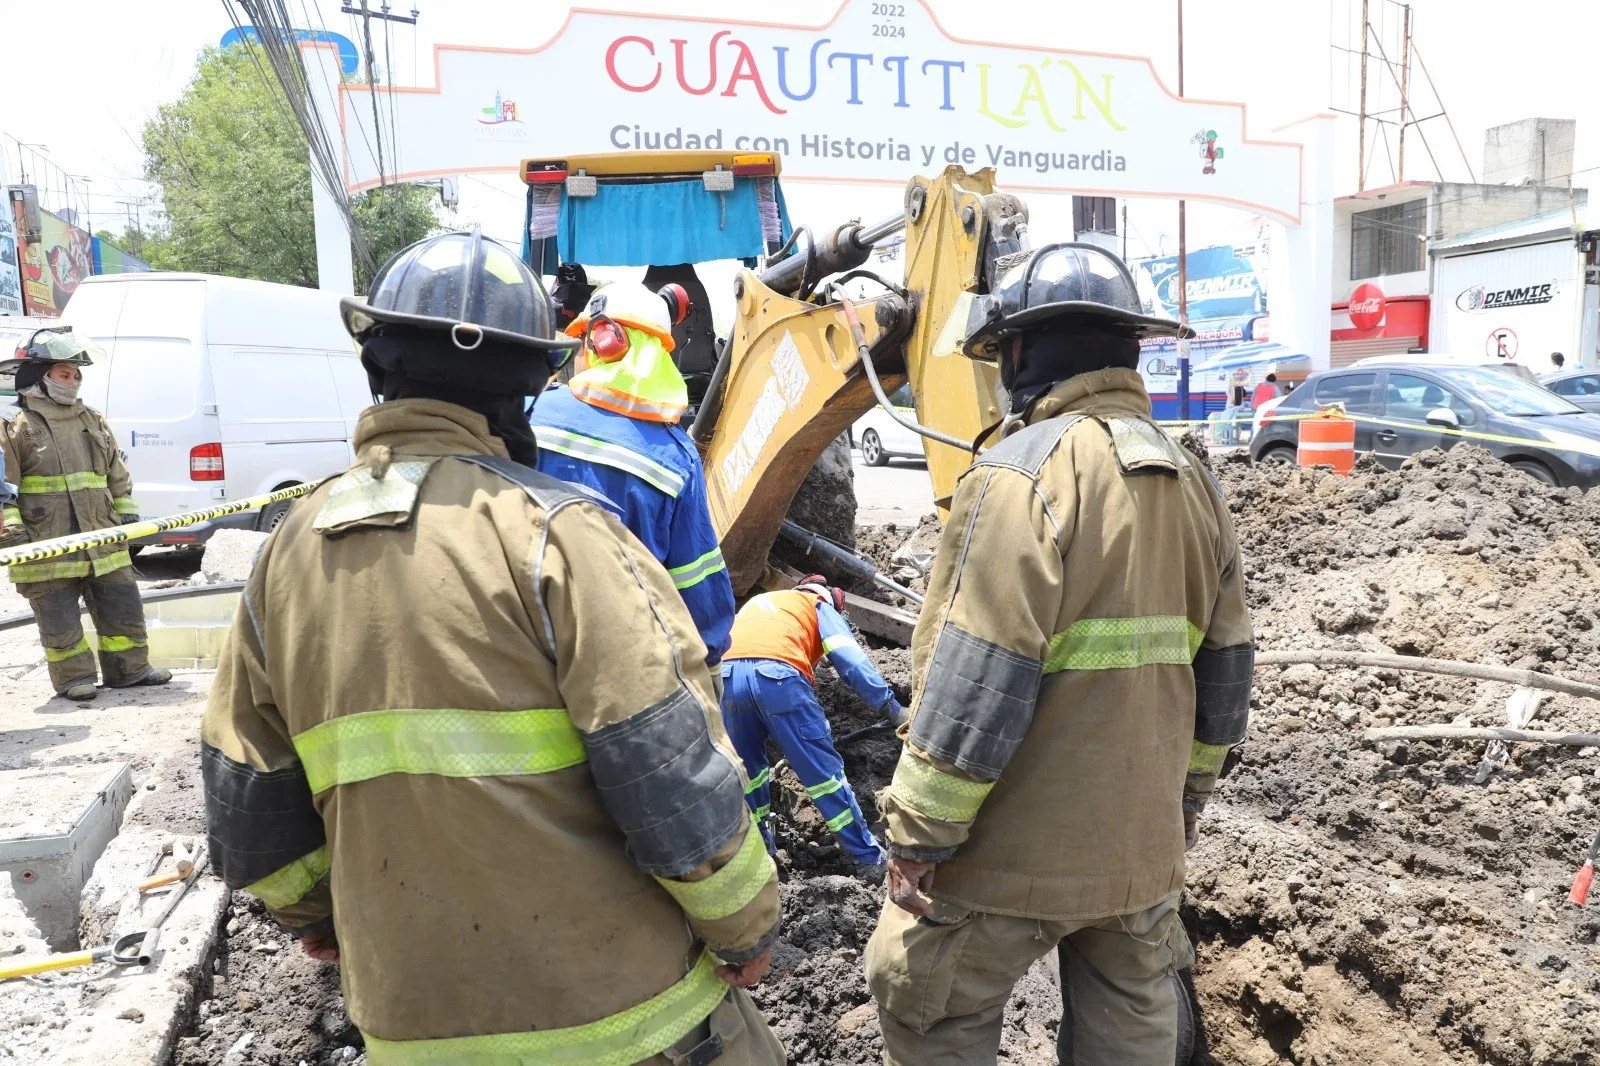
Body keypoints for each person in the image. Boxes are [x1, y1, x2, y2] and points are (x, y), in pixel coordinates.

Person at [200, 230, 785, 1066]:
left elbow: (244, 797)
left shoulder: (288, 552)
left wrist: (321, 918)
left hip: (411, 1026)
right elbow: (671, 770)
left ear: (378, 366)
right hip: (623, 1018)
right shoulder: (561, 536)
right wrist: (745, 927)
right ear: (524, 384)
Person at [864, 243, 1254, 1066]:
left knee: (930, 1011)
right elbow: (1225, 668)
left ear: (1018, 353)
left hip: (1005, 862)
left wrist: (919, 836)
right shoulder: (1195, 480)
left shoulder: (1017, 478)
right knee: (1132, 1032)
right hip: (1140, 854)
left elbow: (978, 678)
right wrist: (1188, 797)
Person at [533, 281, 736, 666]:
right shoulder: (676, 457)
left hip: (520, 643)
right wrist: (708, 660)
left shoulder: (528, 414)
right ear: (659, 357)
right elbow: (695, 583)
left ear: (600, 342)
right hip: (616, 665)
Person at [0, 328, 171, 701]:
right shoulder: (13, 424)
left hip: (103, 536)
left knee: (122, 605)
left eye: (77, 375)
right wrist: (11, 531)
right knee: (59, 618)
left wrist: (127, 518)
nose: (74, 381)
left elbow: (116, 474)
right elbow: (2, 488)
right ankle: (73, 679)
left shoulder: (91, 419)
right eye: (65, 374)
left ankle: (131, 670)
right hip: (46, 542)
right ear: (37, 377)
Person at [720, 576, 905, 873]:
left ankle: (761, 857)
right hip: (778, 677)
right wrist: (892, 709)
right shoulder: (818, 604)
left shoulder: (762, 604)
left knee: (747, 774)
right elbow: (851, 660)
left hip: (727, 680)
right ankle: (869, 858)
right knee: (823, 776)